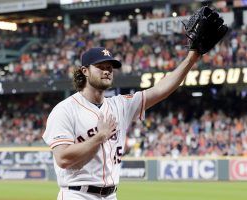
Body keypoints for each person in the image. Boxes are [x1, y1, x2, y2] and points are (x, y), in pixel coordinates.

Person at [42, 46, 200, 200]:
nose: (107, 71)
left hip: (111, 195)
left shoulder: (120, 105)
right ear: (85, 71)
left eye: (110, 68)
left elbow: (160, 90)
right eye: (100, 67)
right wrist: (100, 136)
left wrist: (191, 58)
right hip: (77, 194)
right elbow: (62, 159)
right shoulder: (65, 110)